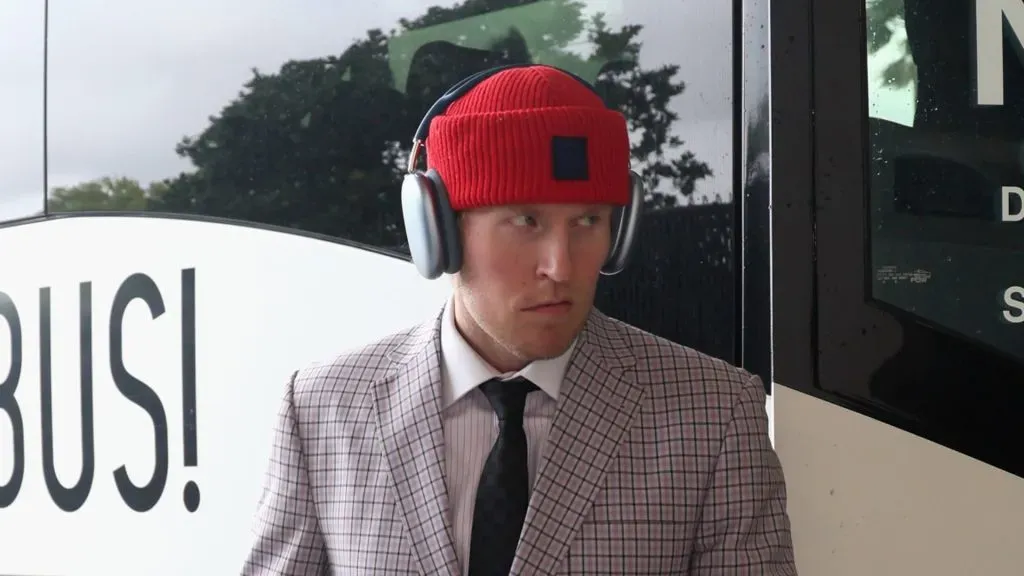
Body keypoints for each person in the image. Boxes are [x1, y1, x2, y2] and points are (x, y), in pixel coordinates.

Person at [241, 64, 796, 576]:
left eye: (587, 221)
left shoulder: (715, 413)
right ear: (440, 231)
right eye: (525, 220)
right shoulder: (321, 410)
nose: (560, 265)